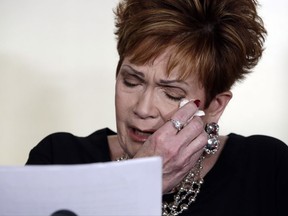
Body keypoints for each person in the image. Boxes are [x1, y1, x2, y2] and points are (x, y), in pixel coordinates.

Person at [26, 0, 288, 215]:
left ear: (214, 106)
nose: (143, 108)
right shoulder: (58, 159)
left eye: (172, 93)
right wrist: (139, 183)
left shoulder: (267, 167)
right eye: (131, 81)